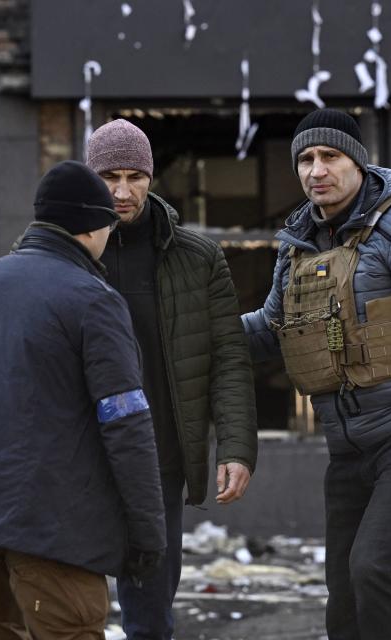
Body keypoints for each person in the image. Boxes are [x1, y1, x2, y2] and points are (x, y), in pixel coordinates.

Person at [242, 108, 391, 640]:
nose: (315, 170)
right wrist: (193, 335)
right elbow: (270, 328)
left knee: (375, 566)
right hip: (347, 447)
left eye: (329, 156)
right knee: (347, 597)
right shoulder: (301, 240)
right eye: (305, 159)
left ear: (357, 162)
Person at [0, 160, 166, 638]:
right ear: (93, 225)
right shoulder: (95, 299)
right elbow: (124, 422)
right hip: (53, 531)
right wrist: (148, 533)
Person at [85, 118, 258, 639]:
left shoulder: (195, 256)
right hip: (77, 453)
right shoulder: (62, 252)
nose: (121, 190)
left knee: (151, 609)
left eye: (134, 176)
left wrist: (236, 447)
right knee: (70, 604)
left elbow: (227, 354)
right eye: (109, 176)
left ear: (151, 178)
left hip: (158, 456)